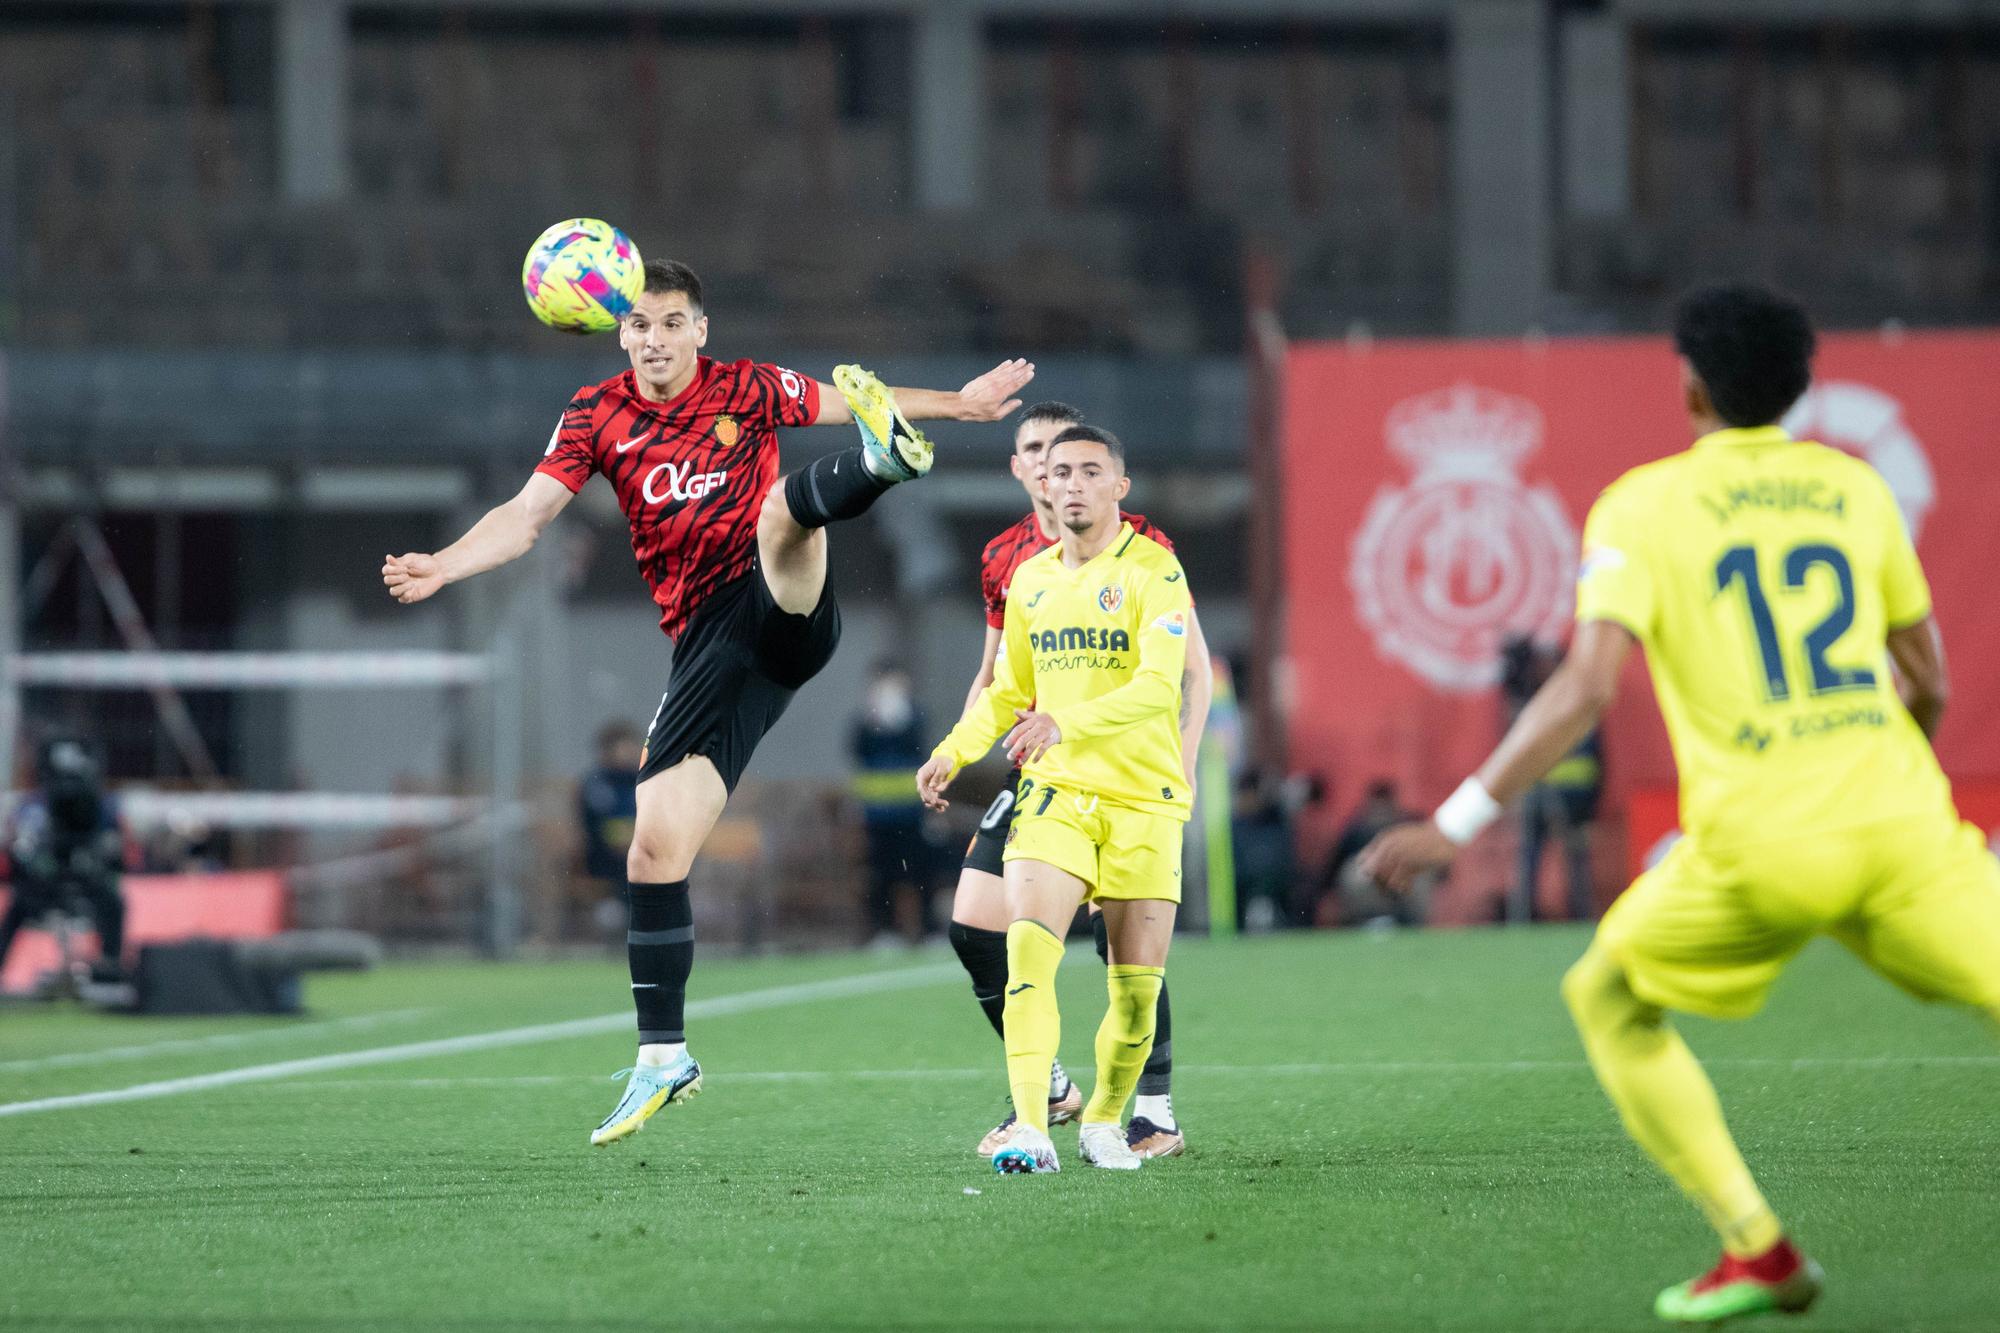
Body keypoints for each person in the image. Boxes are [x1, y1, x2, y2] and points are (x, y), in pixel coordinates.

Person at [1361, 283, 2000, 1324]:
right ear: (1798, 389)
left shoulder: (1643, 504)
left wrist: (1452, 823)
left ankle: (1755, 1244)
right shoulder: (1853, 491)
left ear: (1689, 384)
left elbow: (1580, 688)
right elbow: (1924, 680)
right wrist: (1885, 781)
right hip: (1900, 831)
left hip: (1759, 843)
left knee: (1607, 998)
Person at [383, 258, 1033, 1147]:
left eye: (671, 322)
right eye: (640, 324)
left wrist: (961, 404)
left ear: (700, 330)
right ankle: (663, 1056)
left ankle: (881, 469)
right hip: (709, 654)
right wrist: (445, 563)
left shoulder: (750, 388)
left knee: (778, 514)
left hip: (781, 606)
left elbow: (849, 397)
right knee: (654, 848)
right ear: (619, 331)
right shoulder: (595, 413)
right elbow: (527, 515)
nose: (654, 338)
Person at [920, 424, 1196, 1174]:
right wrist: (951, 750)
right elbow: (1007, 690)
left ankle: (1107, 1119)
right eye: (1060, 471)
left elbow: (1156, 685)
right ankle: (1033, 1127)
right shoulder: (1031, 579)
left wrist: (1063, 719)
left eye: (1088, 470)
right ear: (1041, 483)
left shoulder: (1155, 571)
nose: (1070, 481)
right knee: (1026, 957)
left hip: (1142, 799)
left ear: (1119, 487)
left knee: (1135, 991)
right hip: (1058, 794)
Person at [0, 738, 127, 984]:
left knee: (114, 904)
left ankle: (109, 966)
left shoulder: (99, 803)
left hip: (85, 879)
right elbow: (21, 847)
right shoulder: (34, 805)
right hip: (44, 885)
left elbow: (114, 845)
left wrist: (98, 856)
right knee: (18, 906)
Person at [849, 661, 934, 944]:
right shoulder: (865, 721)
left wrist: (901, 721)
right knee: (881, 874)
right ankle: (885, 932)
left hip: (912, 811)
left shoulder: (915, 716)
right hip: (877, 814)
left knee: (920, 871)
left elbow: (921, 747)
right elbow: (858, 752)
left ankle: (927, 929)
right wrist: (873, 721)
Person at [576, 722, 643, 936]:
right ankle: (621, 917)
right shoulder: (597, 782)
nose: (629, 752)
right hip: (603, 855)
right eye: (623, 747)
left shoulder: (641, 779)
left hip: (640, 848)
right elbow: (599, 827)